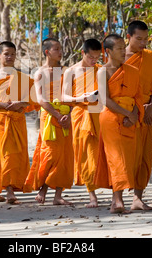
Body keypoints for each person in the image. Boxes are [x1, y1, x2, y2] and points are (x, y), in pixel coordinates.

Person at [94, 34, 144, 214]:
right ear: (107, 51)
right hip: (111, 119)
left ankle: (117, 199)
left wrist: (133, 116)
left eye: (124, 47)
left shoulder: (132, 71)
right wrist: (128, 114)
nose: (124, 51)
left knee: (127, 159)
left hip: (130, 118)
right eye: (119, 48)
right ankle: (118, 200)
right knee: (116, 159)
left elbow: (138, 97)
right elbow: (105, 100)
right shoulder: (102, 71)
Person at [0, 41, 37, 204]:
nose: (10, 57)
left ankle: (11, 187)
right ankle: (7, 191)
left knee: (17, 155)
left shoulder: (22, 76)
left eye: (13, 54)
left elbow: (32, 100)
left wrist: (20, 104)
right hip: (1, 119)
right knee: (4, 155)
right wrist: (4, 105)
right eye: (6, 54)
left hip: (17, 119)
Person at [25, 38, 74, 206]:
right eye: (57, 49)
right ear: (47, 52)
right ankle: (43, 188)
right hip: (50, 117)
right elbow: (41, 100)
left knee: (65, 155)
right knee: (50, 154)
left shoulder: (66, 71)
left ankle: (58, 195)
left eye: (61, 49)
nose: (61, 52)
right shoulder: (41, 73)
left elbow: (70, 95)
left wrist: (69, 113)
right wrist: (57, 115)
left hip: (66, 116)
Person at [124, 20, 152, 210]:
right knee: (125, 156)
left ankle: (137, 198)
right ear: (128, 37)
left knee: (144, 157)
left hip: (147, 114)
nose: (143, 43)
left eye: (146, 39)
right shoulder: (118, 57)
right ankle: (118, 196)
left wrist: (151, 105)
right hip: (125, 115)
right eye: (139, 39)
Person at [62, 38, 102, 208]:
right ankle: (92, 195)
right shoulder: (71, 71)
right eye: (91, 57)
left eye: (97, 58)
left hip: (99, 114)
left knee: (103, 154)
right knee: (85, 155)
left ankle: (115, 192)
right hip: (80, 113)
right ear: (83, 53)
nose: (94, 61)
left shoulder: (101, 70)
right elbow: (64, 97)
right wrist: (83, 98)